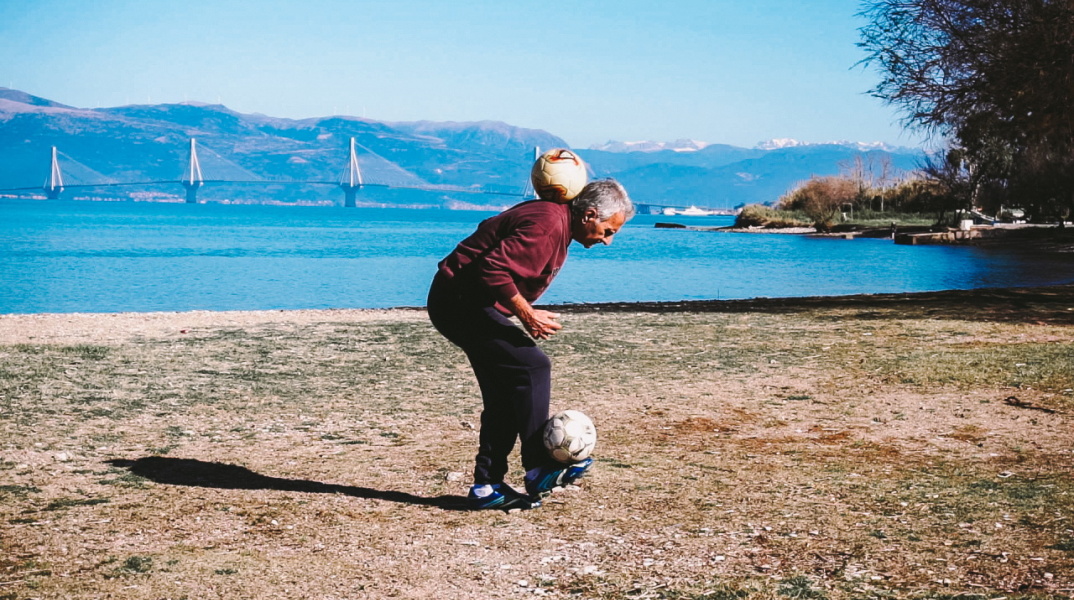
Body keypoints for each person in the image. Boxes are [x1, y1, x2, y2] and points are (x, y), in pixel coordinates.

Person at [427, 179, 634, 510]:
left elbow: (490, 231)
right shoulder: (548, 223)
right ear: (589, 215)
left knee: (506, 392)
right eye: (608, 230)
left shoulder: (554, 221)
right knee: (533, 366)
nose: (608, 241)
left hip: (462, 302)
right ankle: (539, 466)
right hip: (459, 302)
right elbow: (491, 268)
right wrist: (527, 314)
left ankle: (486, 487)